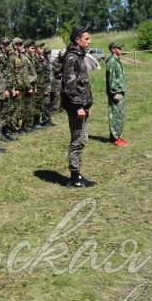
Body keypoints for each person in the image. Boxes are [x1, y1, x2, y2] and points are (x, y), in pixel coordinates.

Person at [61, 26, 94, 188]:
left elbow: (82, 84)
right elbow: (69, 87)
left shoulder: (79, 56)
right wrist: (79, 107)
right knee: (77, 140)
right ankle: (74, 177)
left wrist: (87, 105)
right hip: (76, 107)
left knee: (83, 139)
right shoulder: (72, 58)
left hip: (82, 106)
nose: (89, 41)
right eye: (86, 39)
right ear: (77, 40)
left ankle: (78, 173)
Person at [105, 41, 129, 146]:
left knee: (120, 115)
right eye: (119, 48)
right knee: (115, 115)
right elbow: (112, 78)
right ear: (113, 49)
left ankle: (117, 136)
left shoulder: (117, 60)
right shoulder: (111, 61)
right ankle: (114, 138)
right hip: (116, 92)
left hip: (120, 92)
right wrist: (115, 93)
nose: (121, 50)